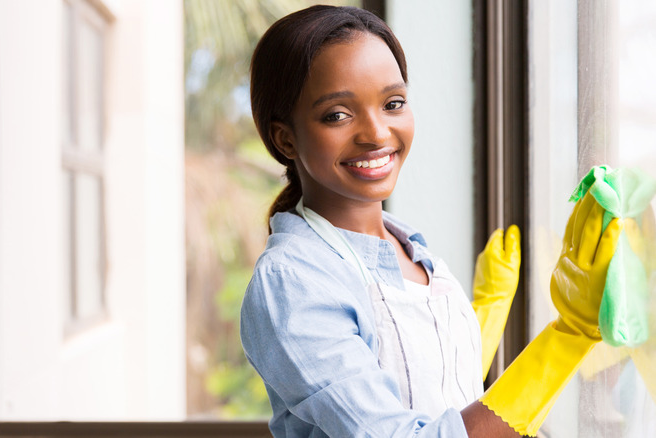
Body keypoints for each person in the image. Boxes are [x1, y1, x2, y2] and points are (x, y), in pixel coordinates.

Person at [240, 5, 626, 437]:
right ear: (285, 138)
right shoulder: (294, 280)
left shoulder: (413, 251)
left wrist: (484, 319)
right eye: (338, 114)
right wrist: (568, 335)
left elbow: (429, 391)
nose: (377, 133)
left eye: (393, 103)